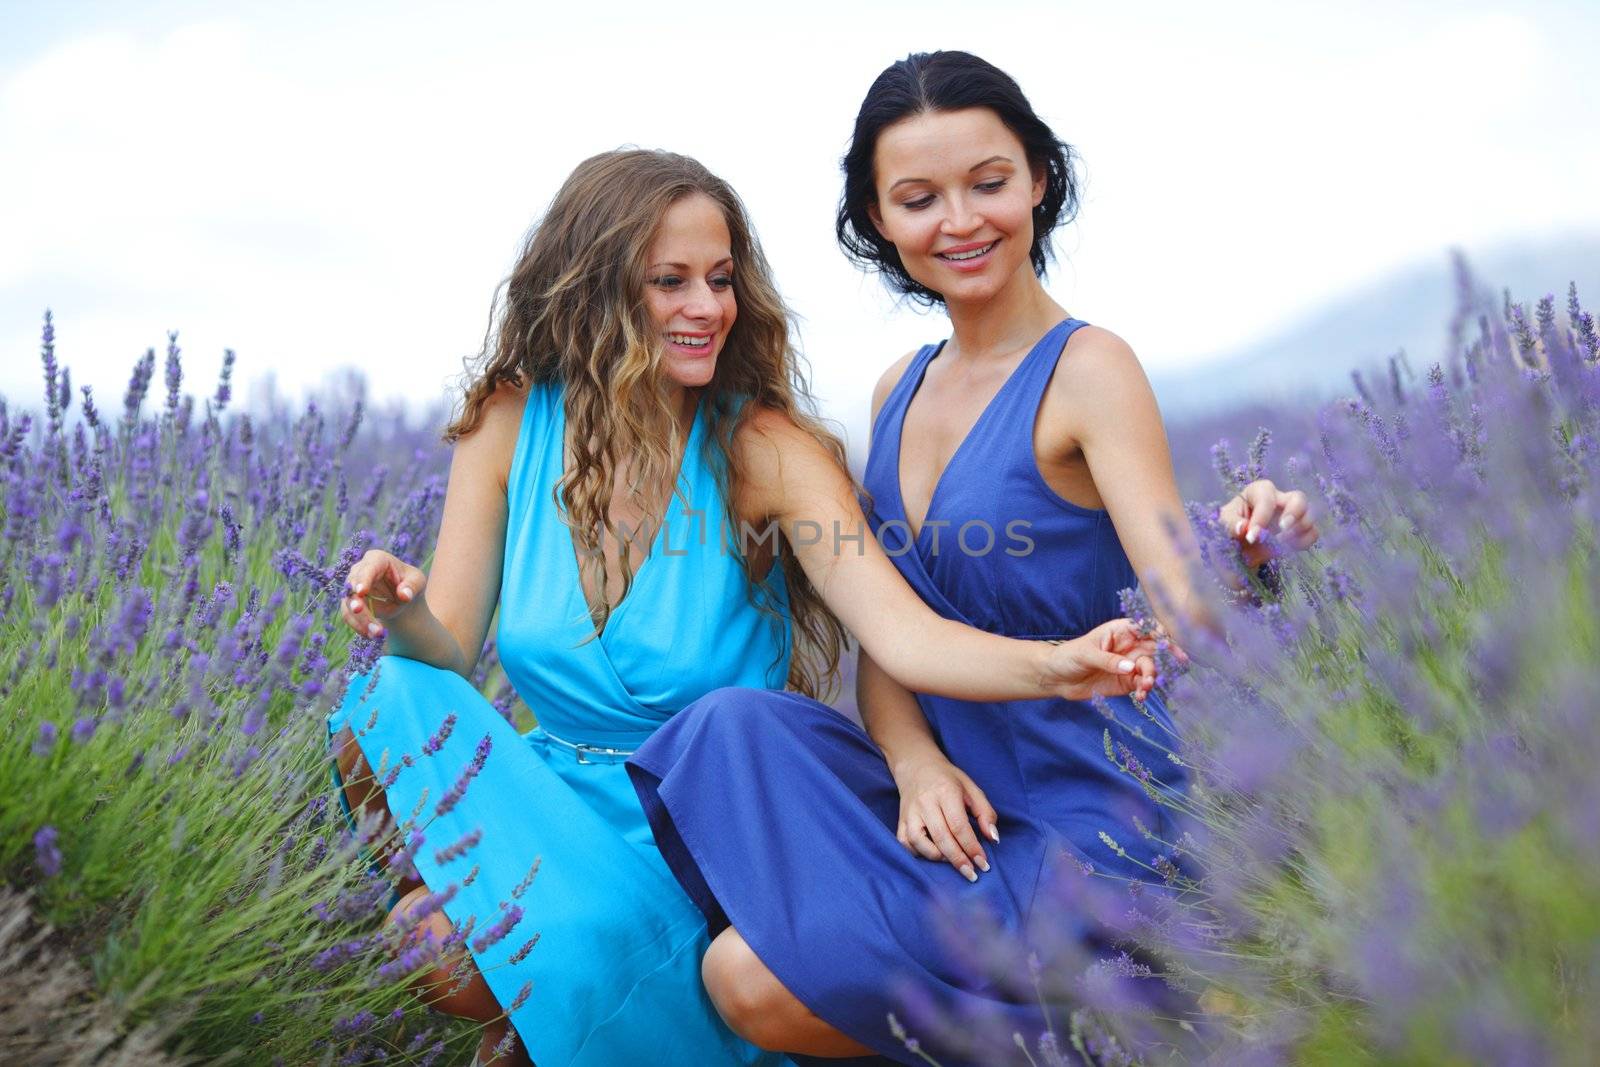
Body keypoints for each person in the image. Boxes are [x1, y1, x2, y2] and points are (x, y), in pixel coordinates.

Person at [329, 148, 1167, 1066]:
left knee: (491, 963)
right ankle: (559, 1024)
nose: (708, 308)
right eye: (671, 282)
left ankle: (588, 1020)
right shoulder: (508, 424)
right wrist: (399, 607)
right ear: (592, 289)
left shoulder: (765, 452)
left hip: (694, 827)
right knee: (410, 870)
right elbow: (445, 650)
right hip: (553, 791)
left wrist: (1057, 661)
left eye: (721, 280)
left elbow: (903, 635)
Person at [626, 51, 1319, 1065]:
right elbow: (894, 633)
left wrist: (1251, 553)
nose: (959, 220)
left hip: (1092, 820)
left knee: (753, 979)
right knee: (733, 742)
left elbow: (1182, 599)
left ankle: (1117, 1019)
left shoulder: (1089, 369)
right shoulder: (896, 389)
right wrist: (911, 766)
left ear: (1038, 180)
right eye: (917, 198)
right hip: (958, 812)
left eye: (988, 183)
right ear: (876, 221)